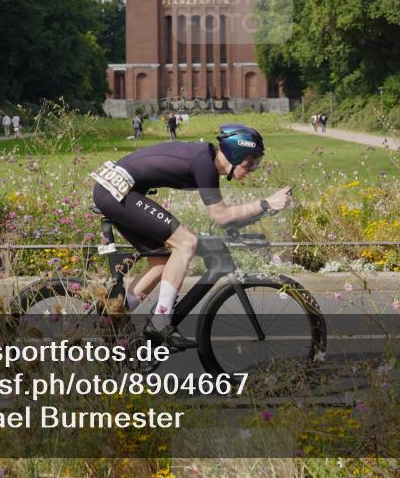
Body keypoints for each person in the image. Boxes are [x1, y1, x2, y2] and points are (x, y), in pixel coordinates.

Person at [90, 124, 293, 349]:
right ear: (236, 153)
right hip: (116, 192)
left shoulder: (206, 162)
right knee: (186, 243)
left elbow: (222, 217)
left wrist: (263, 210)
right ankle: (160, 321)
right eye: (251, 161)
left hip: (118, 191)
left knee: (162, 263)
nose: (253, 168)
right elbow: (222, 215)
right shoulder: (204, 164)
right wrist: (266, 202)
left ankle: (109, 319)